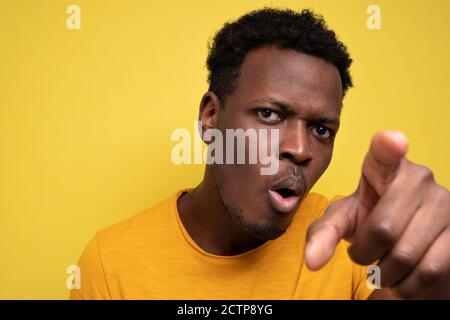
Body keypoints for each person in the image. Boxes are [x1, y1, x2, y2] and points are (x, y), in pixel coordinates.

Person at [70, 8, 450, 300]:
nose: (300, 150)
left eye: (321, 130)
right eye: (270, 115)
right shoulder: (111, 261)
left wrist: (434, 274)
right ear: (210, 117)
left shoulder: (351, 244)